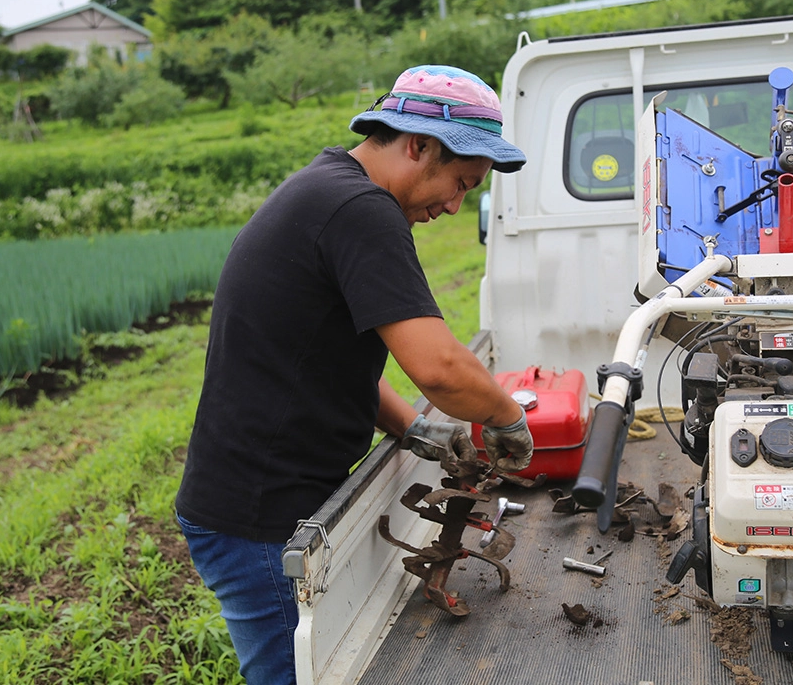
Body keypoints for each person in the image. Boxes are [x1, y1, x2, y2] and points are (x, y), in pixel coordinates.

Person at [174, 64, 535, 684]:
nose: (453, 205)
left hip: (257, 501)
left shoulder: (328, 188)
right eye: (460, 182)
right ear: (418, 145)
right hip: (258, 518)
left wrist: (414, 430)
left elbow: (319, 355)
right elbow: (440, 367)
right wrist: (508, 417)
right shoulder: (360, 210)